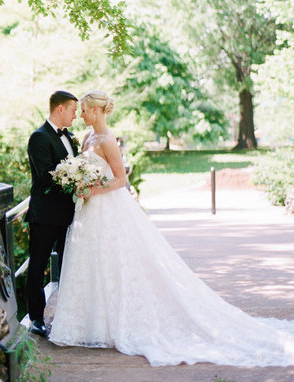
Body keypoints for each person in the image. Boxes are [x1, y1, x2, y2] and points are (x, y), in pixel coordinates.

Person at [48, 90, 294, 366]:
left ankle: (114, 324)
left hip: (107, 207)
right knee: (91, 264)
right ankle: (90, 324)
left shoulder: (108, 140)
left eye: (84, 110)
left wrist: (91, 188)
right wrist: (81, 186)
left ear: (96, 110)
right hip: (88, 211)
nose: (81, 115)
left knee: (114, 262)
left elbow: (120, 180)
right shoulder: (88, 138)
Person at [25, 90, 79, 337]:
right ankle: (36, 318)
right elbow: (47, 175)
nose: (75, 115)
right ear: (60, 109)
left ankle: (69, 315)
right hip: (45, 215)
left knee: (70, 265)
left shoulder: (68, 136)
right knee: (38, 267)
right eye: (73, 110)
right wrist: (79, 178)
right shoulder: (39, 137)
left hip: (70, 214)